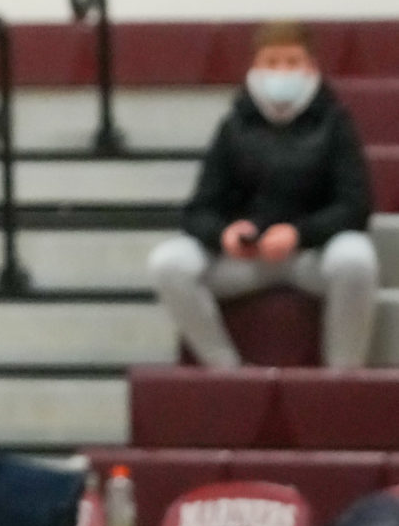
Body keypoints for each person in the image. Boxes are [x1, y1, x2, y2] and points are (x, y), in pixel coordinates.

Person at [149, 21, 378, 369]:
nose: (282, 72)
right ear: (255, 69)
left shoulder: (335, 123)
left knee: (357, 259)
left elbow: (355, 206)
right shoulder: (233, 126)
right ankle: (225, 369)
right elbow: (198, 210)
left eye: (292, 62)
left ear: (311, 68)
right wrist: (224, 234)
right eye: (272, 63)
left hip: (311, 257)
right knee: (167, 263)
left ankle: (342, 374)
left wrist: (299, 233)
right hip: (247, 258)